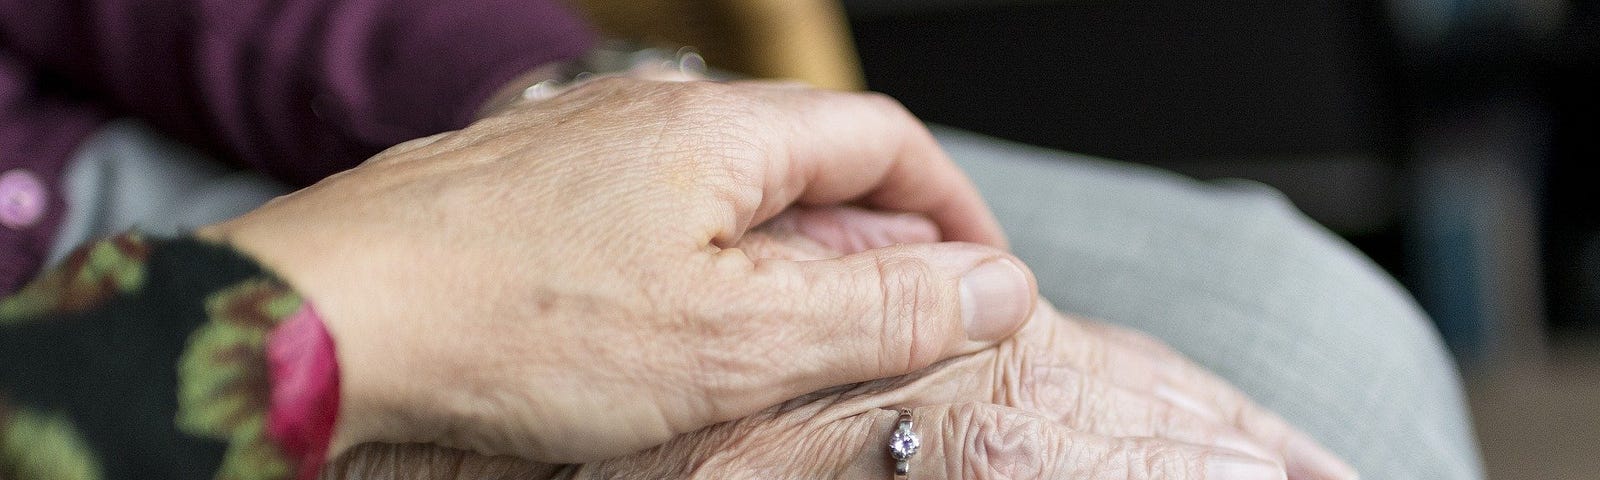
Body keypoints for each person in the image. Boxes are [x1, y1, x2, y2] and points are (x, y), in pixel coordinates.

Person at [0, 1, 1481, 479]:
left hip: (125, 144)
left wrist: (561, 112)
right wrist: (382, 306)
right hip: (85, 383)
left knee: (1318, 342)